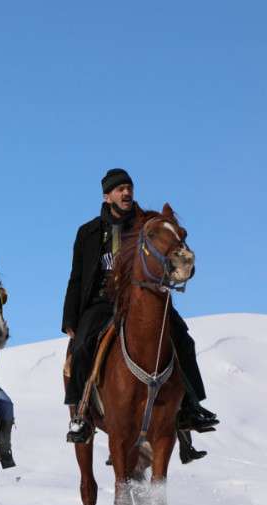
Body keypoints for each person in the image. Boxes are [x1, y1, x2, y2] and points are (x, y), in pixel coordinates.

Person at [63, 168, 218, 452]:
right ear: (107, 195)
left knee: (183, 337)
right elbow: (76, 276)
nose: (126, 192)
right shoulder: (88, 233)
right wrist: (70, 319)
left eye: (129, 187)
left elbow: (171, 246)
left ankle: (191, 407)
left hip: (142, 297)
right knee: (82, 345)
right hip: (102, 302)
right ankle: (81, 415)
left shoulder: (147, 224)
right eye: (119, 189)